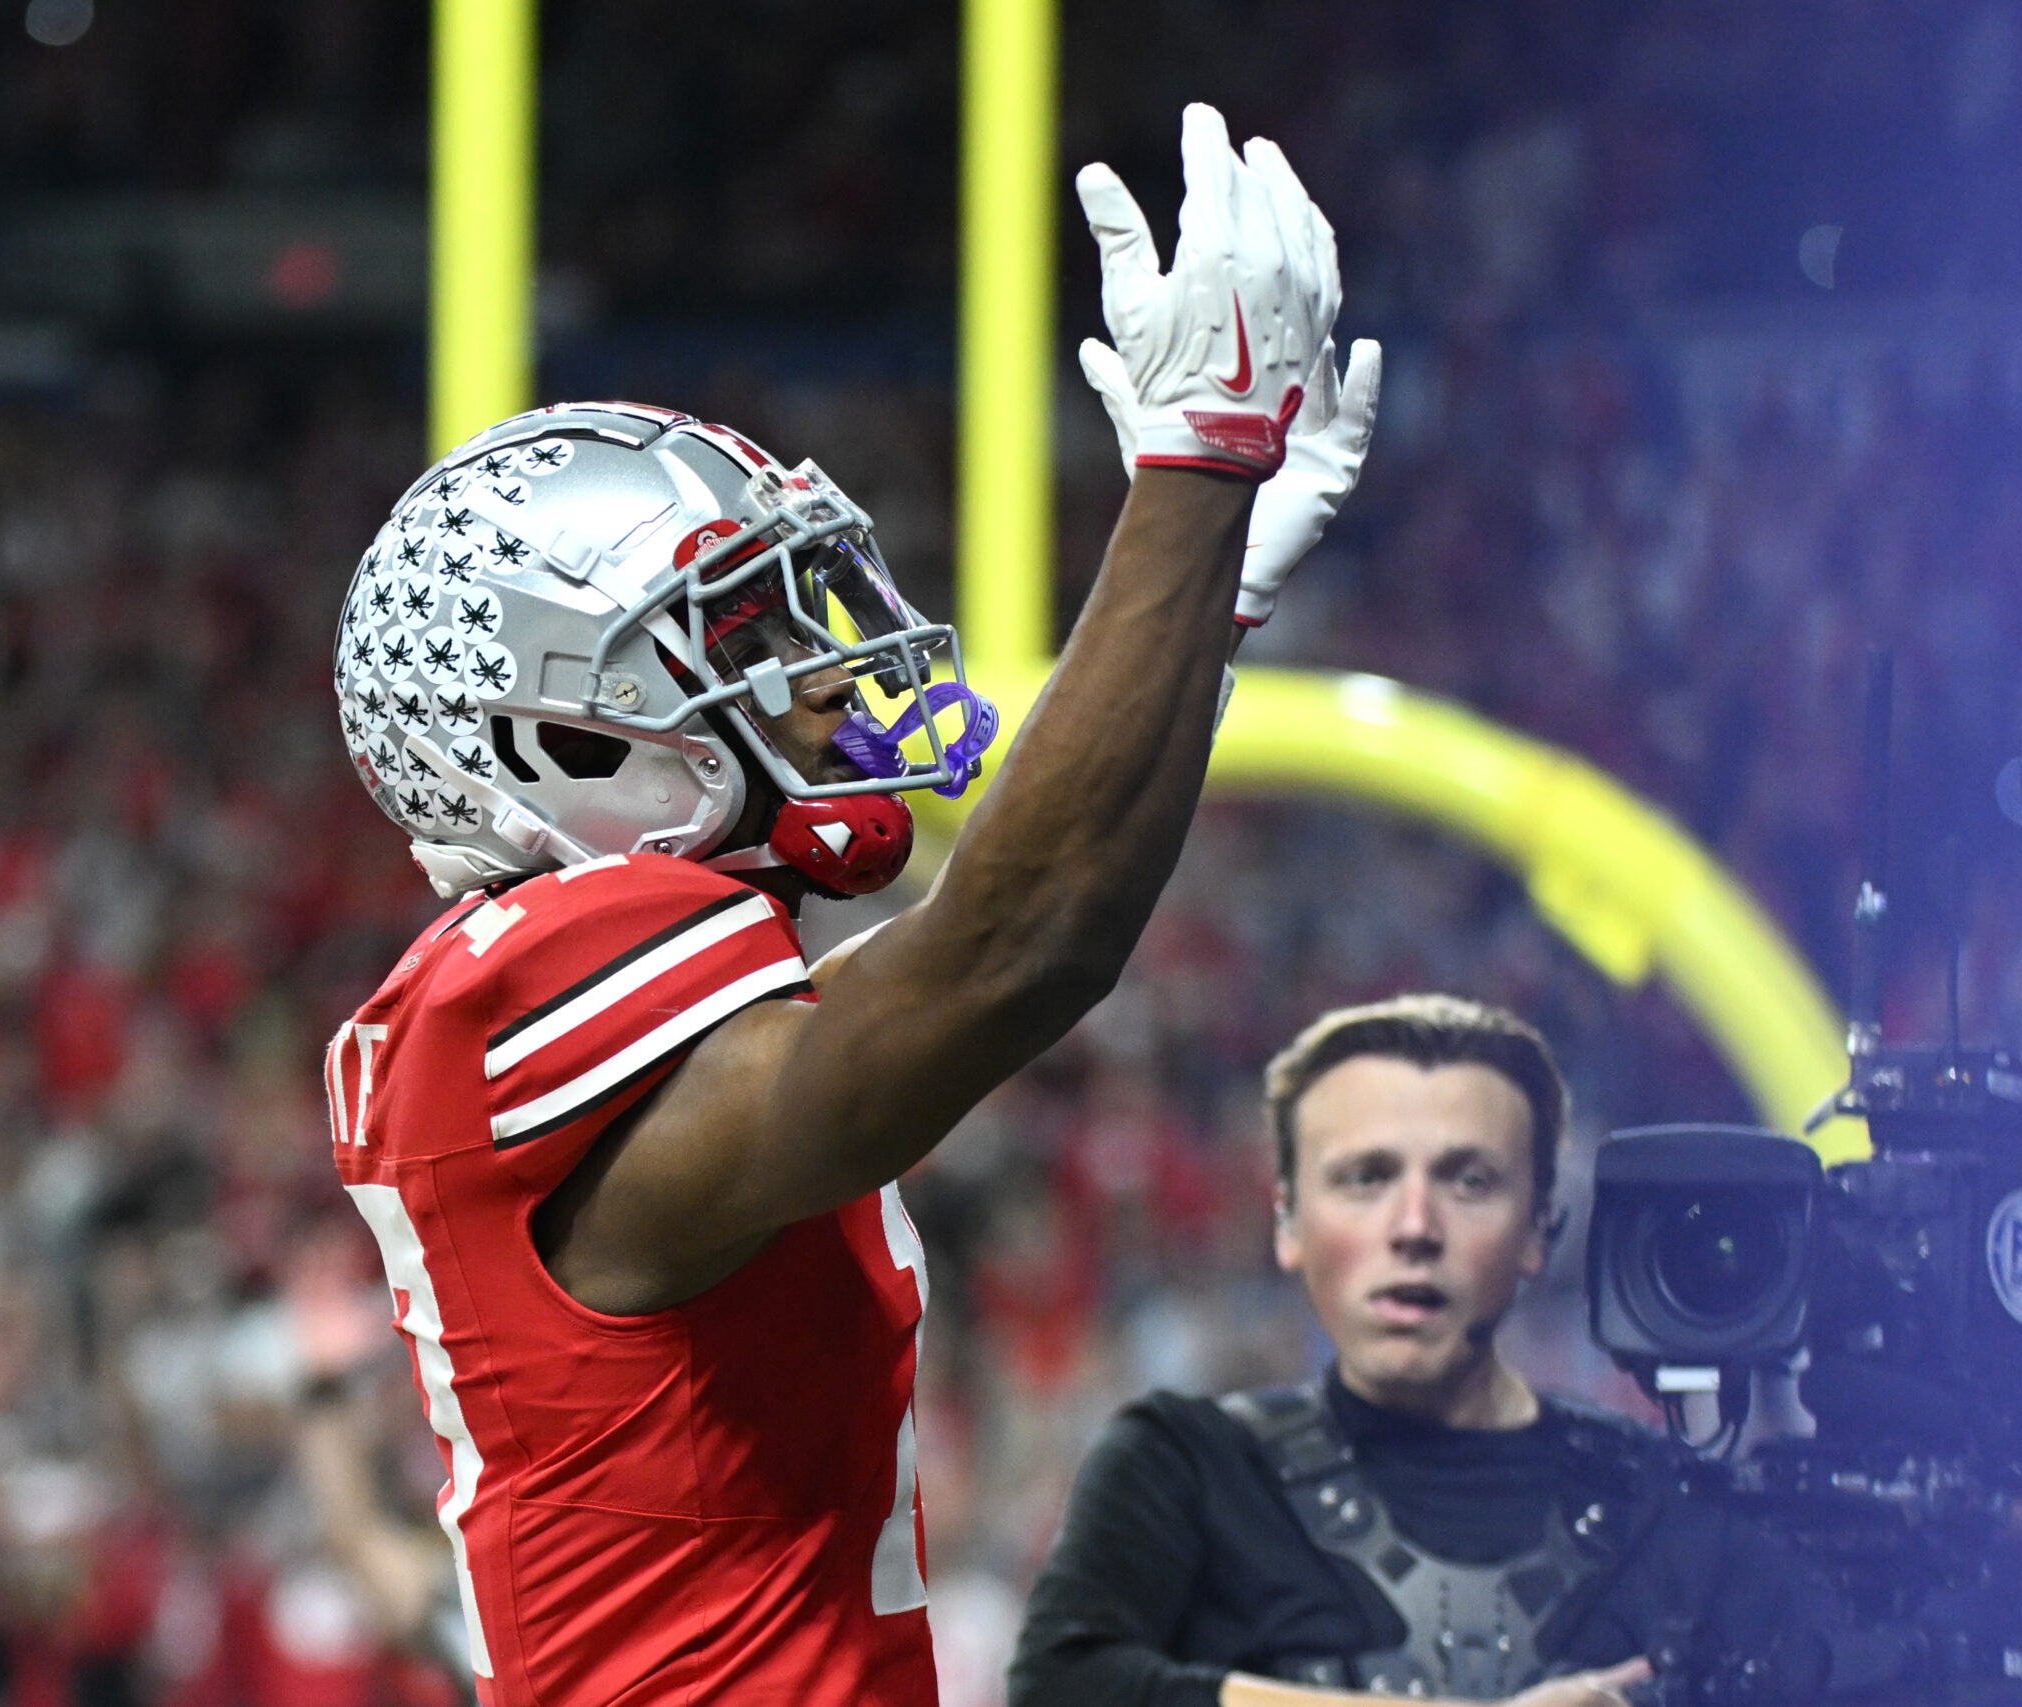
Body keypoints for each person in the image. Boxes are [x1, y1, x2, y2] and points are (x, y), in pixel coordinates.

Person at [319, 104, 1384, 1707]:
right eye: (740, 635)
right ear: (566, 734)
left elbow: (1014, 912)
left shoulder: (599, 1008)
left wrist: (1204, 604)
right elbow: (1016, 946)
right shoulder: (528, 988)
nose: (821, 676)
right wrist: (1190, 485)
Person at [1008, 994, 1835, 1707]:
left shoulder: (1678, 1513)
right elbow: (1062, 1687)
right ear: (1287, 1221)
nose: (1414, 1226)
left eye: (1469, 1180)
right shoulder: (1181, 1469)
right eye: (1366, 1176)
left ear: (1540, 1228)